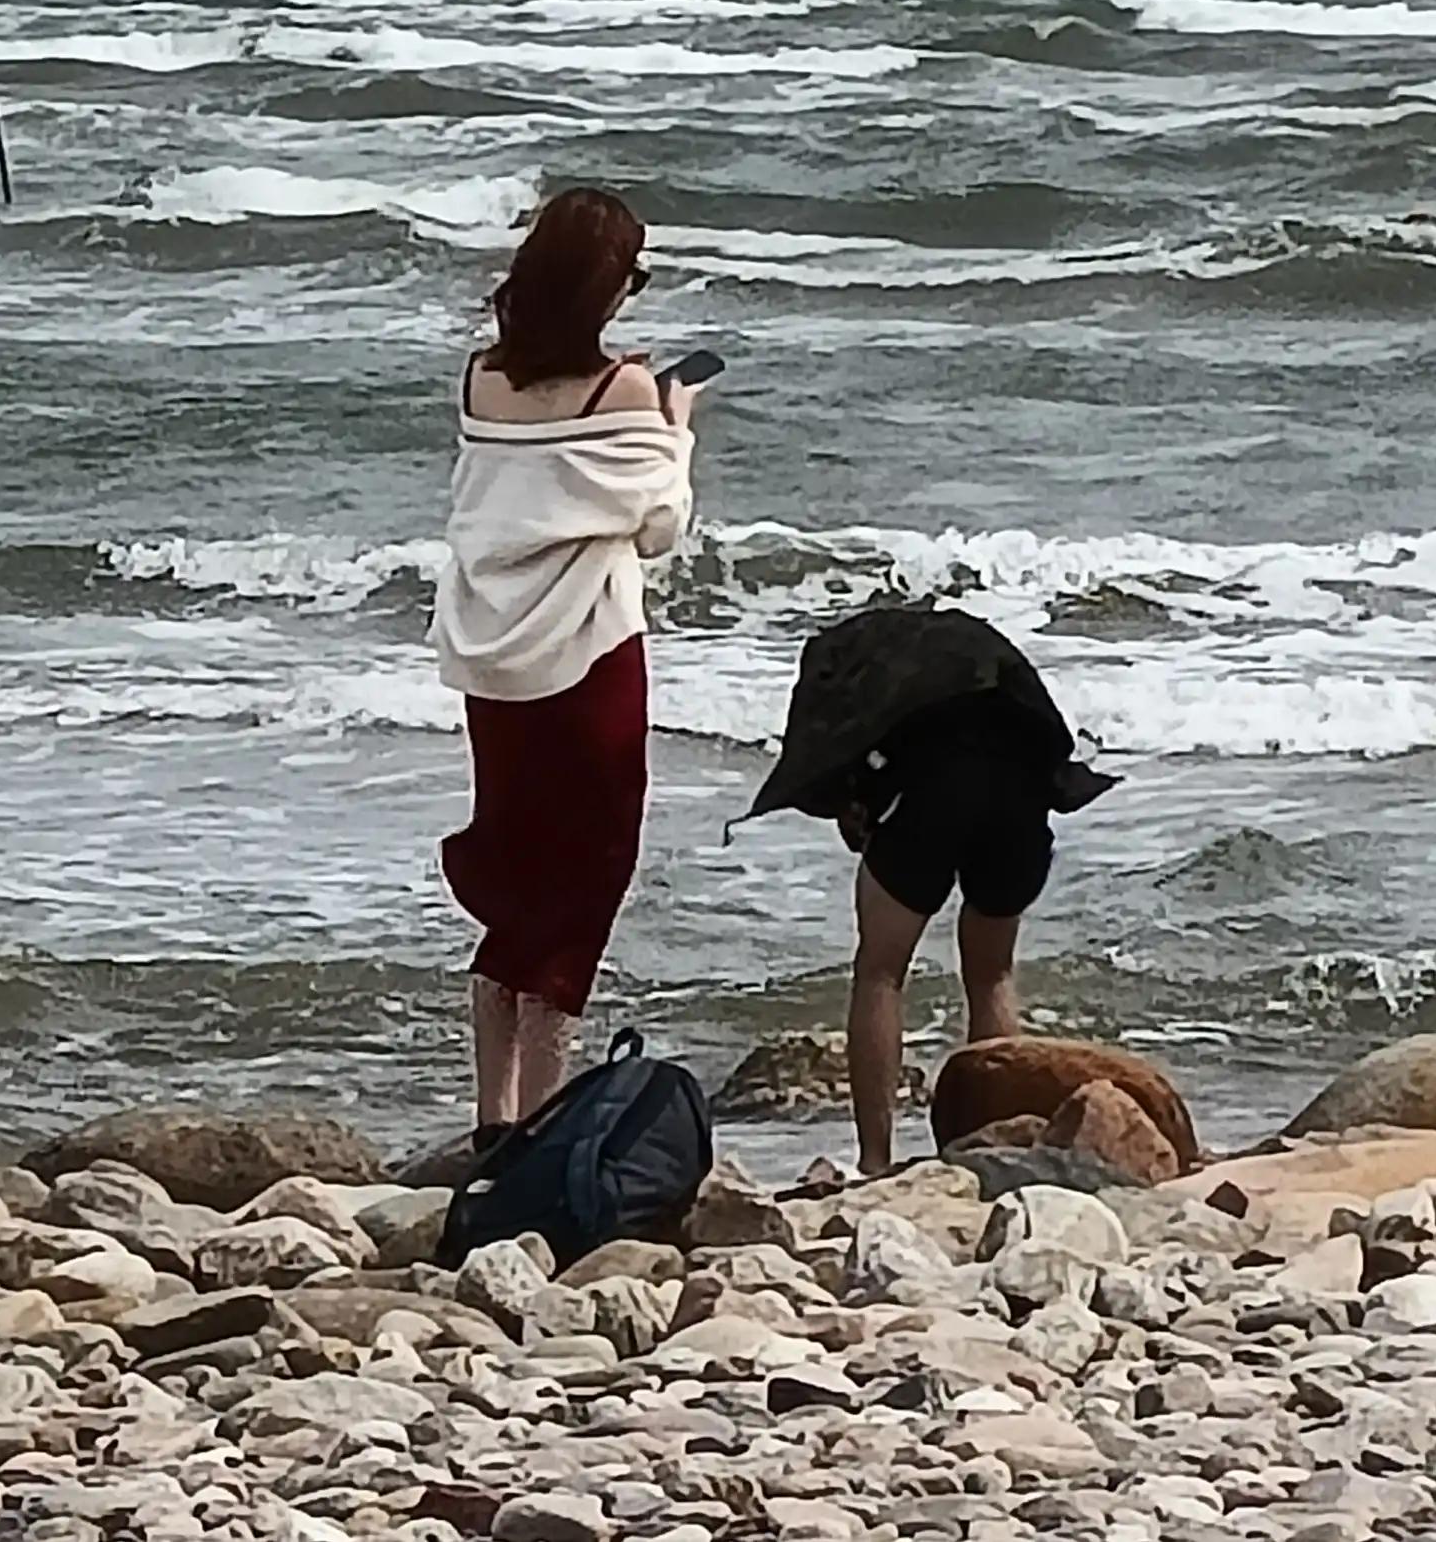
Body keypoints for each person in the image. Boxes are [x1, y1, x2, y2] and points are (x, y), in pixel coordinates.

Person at [433, 183, 703, 1146]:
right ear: (605, 288)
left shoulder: (480, 380)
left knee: (517, 872)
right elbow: (659, 525)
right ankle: (541, 1121)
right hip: (587, 659)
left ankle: (491, 1120)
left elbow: (502, 503)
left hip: (492, 666)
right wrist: (678, 425)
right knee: (586, 878)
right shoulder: (622, 389)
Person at [744, 600, 1116, 1176]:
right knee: (992, 973)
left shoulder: (862, 675)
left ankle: (874, 1160)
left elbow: (842, 760)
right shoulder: (973, 653)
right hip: (1019, 795)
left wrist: (859, 811)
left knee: (881, 972)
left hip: (932, 798)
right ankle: (991, 1146)